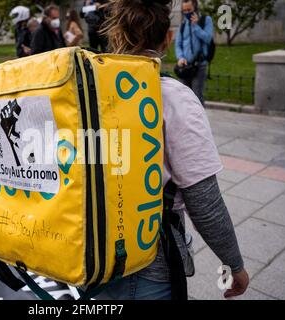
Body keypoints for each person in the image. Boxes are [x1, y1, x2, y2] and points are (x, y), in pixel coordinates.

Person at [95, 0, 249, 300]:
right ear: (168, 38)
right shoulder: (173, 97)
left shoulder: (89, 90)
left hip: (90, 253)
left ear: (115, 36)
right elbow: (204, 201)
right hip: (147, 261)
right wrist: (235, 265)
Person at [175, 0, 213, 106]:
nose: (187, 12)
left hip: (199, 65)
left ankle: (199, 122)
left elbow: (208, 39)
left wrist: (195, 26)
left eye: (189, 10)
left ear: (195, 8)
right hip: (185, 66)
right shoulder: (183, 25)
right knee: (183, 98)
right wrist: (180, 57)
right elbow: (178, 44)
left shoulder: (206, 20)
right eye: (184, 10)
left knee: (197, 98)